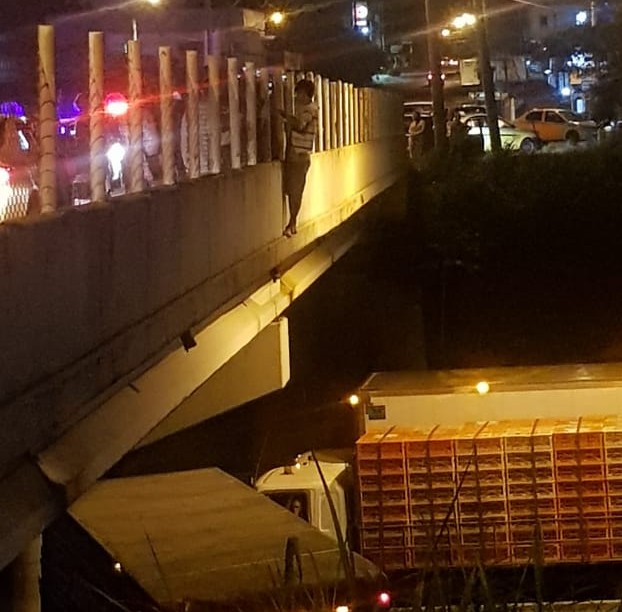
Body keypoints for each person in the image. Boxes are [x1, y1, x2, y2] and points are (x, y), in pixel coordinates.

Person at [280, 79, 318, 238]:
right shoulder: (307, 108)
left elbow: (300, 125)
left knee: (295, 191)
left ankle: (292, 222)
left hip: (299, 156)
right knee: (294, 190)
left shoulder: (309, 110)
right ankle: (292, 223)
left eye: (299, 93)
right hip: (297, 155)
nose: (297, 96)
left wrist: (286, 117)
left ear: (306, 94)